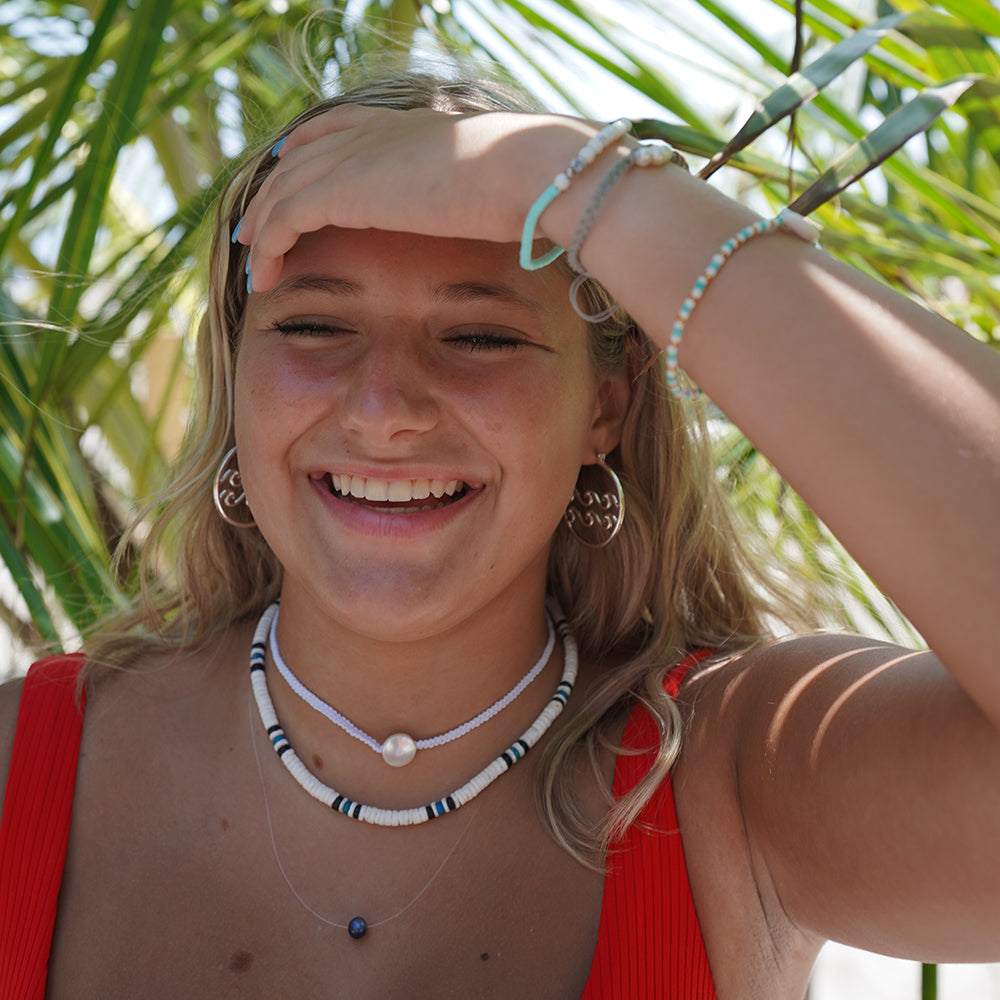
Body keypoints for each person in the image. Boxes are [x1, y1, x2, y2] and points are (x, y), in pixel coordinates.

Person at [1, 65, 998, 1000]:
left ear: (603, 409)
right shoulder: (18, 762)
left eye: (480, 335)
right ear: (239, 383)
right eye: (313, 326)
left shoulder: (742, 781)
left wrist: (581, 181)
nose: (383, 407)